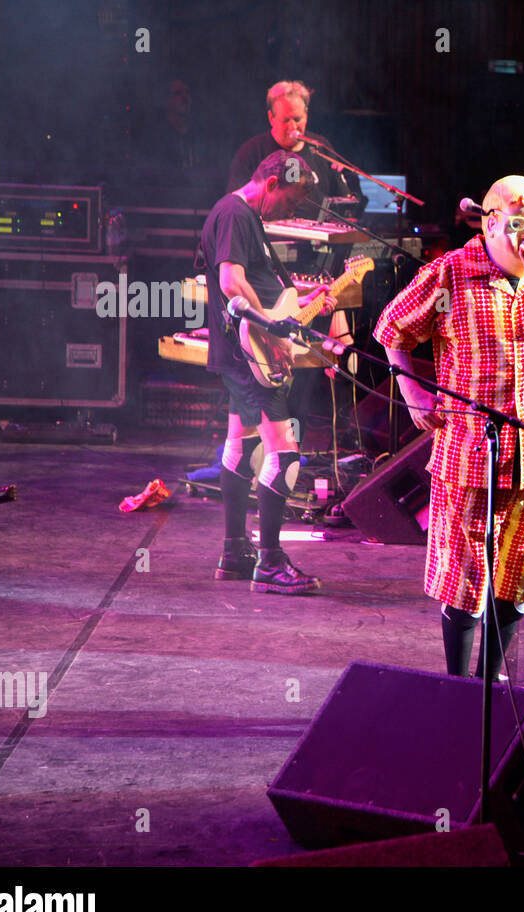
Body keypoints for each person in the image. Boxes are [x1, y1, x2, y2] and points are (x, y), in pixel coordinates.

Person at [375, 175, 524, 681]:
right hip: (470, 454)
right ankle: (458, 688)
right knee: (464, 580)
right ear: (492, 221)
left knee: (518, 577)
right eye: (521, 223)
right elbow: (392, 331)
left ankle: (490, 679)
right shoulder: (450, 273)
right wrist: (413, 395)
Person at [201, 151, 336, 593]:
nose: (291, 211)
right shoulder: (234, 214)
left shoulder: (246, 217)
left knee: (240, 447)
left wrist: (307, 298)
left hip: (246, 355)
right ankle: (271, 563)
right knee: (285, 457)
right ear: (273, 181)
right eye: (292, 201)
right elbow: (230, 283)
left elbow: (258, 284)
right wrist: (274, 331)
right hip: (250, 356)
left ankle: (234, 552)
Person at [228, 80, 361, 207]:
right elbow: (236, 202)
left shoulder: (320, 147)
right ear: (271, 118)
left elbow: (342, 197)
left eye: (297, 119)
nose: (292, 127)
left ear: (306, 115)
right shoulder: (251, 152)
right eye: (286, 120)